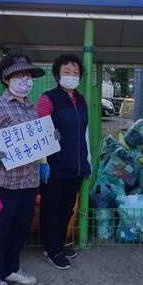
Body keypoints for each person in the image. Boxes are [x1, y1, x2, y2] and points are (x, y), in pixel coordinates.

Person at [0, 54, 45, 285]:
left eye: (28, 76)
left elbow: (36, 140)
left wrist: (51, 137)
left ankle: (11, 269)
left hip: (28, 181)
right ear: (6, 79)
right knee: (0, 231)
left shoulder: (33, 106)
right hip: (3, 182)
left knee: (20, 228)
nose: (25, 80)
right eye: (19, 75)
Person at [37, 54, 91, 270]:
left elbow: (85, 131)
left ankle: (57, 244)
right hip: (54, 166)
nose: (71, 75)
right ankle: (52, 250)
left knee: (67, 208)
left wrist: (87, 159)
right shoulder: (47, 99)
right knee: (51, 208)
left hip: (76, 165)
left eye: (76, 72)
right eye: (67, 71)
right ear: (57, 74)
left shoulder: (82, 100)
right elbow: (39, 130)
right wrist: (42, 162)